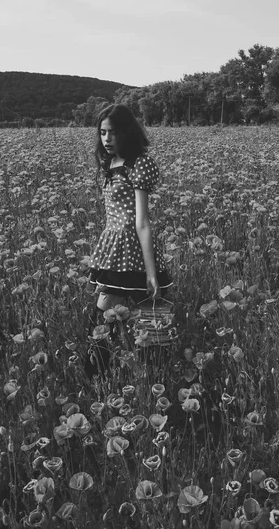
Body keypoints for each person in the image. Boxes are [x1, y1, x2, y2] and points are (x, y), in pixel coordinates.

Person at [84, 104, 172, 377]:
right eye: (102, 132)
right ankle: (120, 371)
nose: (107, 139)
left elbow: (142, 221)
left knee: (118, 313)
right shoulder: (110, 163)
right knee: (115, 316)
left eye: (112, 132)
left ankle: (100, 372)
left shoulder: (139, 163)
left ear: (127, 132)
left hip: (131, 249)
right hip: (112, 247)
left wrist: (151, 273)